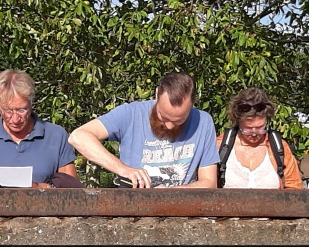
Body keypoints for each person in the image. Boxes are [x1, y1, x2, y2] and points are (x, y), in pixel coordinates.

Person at [68, 72, 219, 188]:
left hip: (182, 212)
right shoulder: (130, 114)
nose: (169, 126)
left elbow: (209, 183)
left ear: (192, 104)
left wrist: (169, 195)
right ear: (156, 95)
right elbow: (78, 137)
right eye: (163, 117)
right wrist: (123, 169)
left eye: (179, 120)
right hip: (133, 212)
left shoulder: (203, 121)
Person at [0, 69, 81, 188]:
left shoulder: (56, 136)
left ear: (31, 103)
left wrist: (41, 188)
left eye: (22, 110)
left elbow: (71, 191)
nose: (15, 119)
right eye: (8, 111)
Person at [216, 88, 302, 189]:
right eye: (248, 128)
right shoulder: (221, 146)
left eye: (260, 127)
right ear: (238, 122)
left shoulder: (279, 147)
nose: (254, 133)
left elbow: (294, 188)